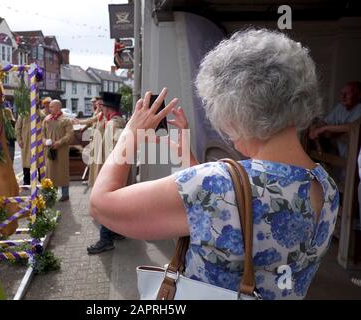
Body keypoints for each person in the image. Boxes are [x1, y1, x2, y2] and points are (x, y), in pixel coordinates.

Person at [90, 29, 340, 299]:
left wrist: (131, 133)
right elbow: (214, 212)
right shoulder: (326, 186)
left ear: (234, 106)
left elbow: (101, 204)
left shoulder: (217, 183)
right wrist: (189, 161)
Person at [87, 92, 126, 255]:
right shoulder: (116, 121)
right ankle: (116, 231)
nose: (100, 109)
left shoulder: (113, 124)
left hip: (109, 170)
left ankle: (106, 240)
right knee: (115, 203)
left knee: (105, 203)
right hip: (112, 169)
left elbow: (113, 151)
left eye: (103, 106)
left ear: (109, 109)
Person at [309, 81, 361, 157]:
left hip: (356, 157)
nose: (343, 96)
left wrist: (324, 129)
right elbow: (325, 122)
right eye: (342, 93)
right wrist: (315, 127)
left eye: (348, 93)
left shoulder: (359, 107)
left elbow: (352, 126)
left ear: (358, 95)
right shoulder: (340, 107)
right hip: (342, 155)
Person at [42, 100, 73, 201]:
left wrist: (59, 142)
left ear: (58, 107)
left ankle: (65, 194)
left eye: (51, 107)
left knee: (62, 171)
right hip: (49, 150)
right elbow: (42, 134)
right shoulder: (46, 119)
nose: (49, 108)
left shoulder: (66, 120)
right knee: (50, 172)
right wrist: (45, 141)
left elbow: (69, 134)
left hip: (62, 150)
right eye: (49, 107)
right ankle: (51, 194)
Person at [15, 108, 45, 185]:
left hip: (38, 141)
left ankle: (42, 179)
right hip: (26, 142)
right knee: (26, 161)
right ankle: (26, 181)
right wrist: (19, 140)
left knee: (40, 161)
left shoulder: (41, 115)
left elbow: (46, 128)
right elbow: (18, 128)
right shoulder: (22, 115)